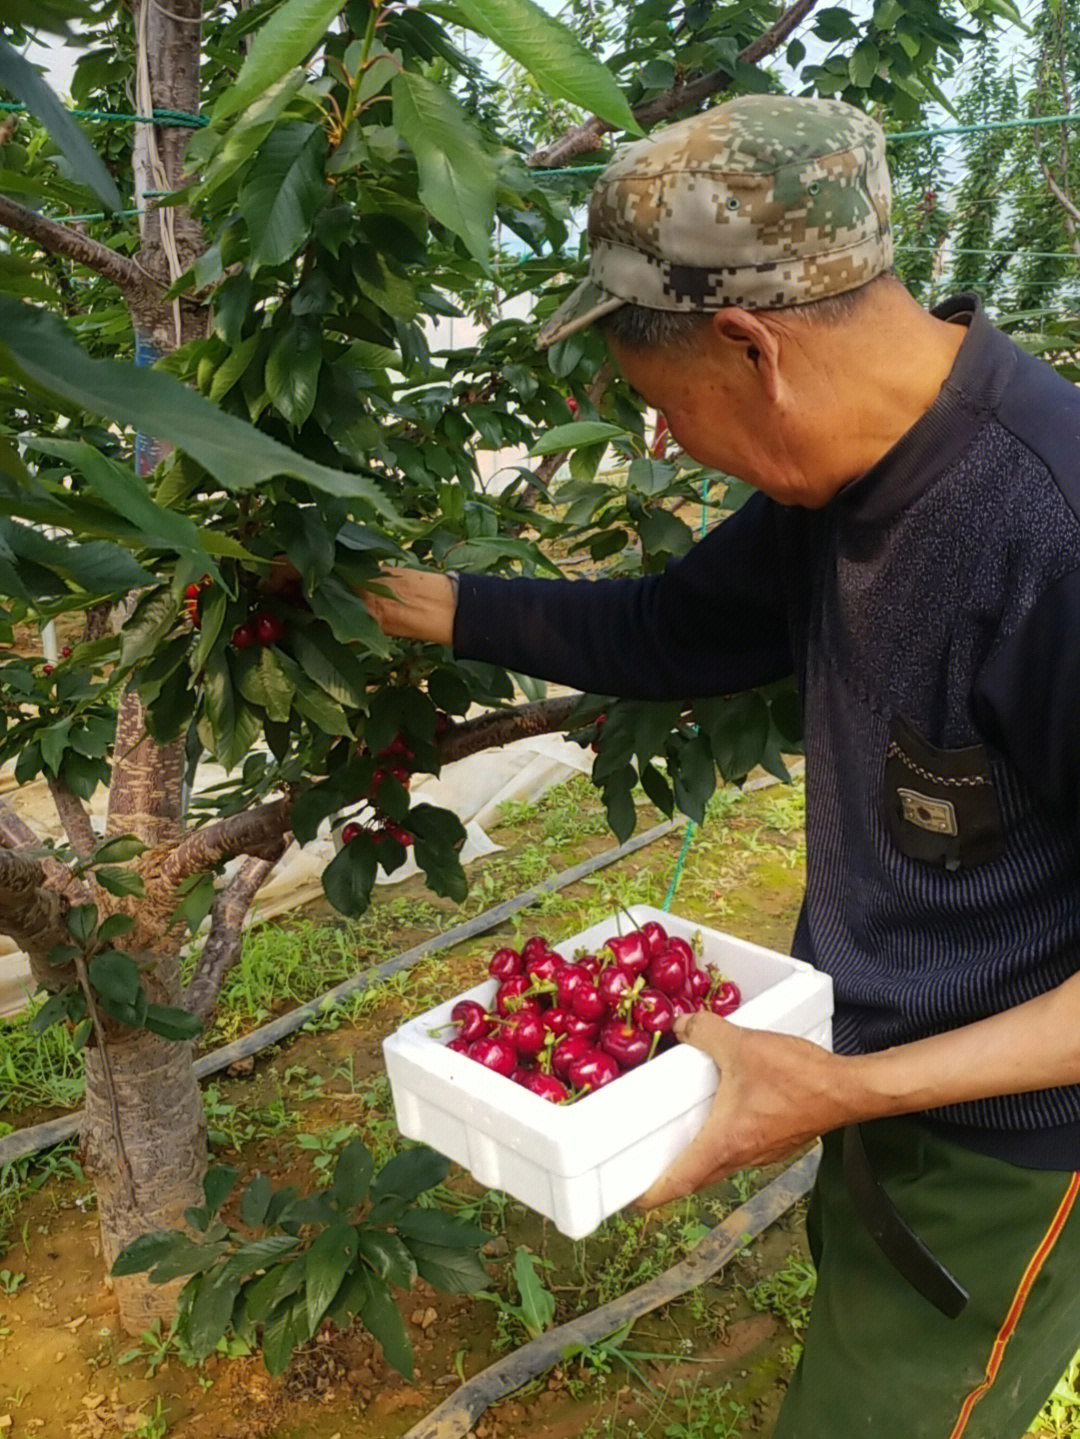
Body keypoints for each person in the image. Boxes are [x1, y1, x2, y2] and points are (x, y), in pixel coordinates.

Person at [360, 95, 1080, 1438]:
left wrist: (849, 1090)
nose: (665, 445)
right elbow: (672, 630)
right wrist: (433, 605)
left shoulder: (1051, 533)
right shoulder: (848, 474)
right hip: (858, 1052)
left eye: (659, 408)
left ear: (750, 348)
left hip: (1010, 1146)